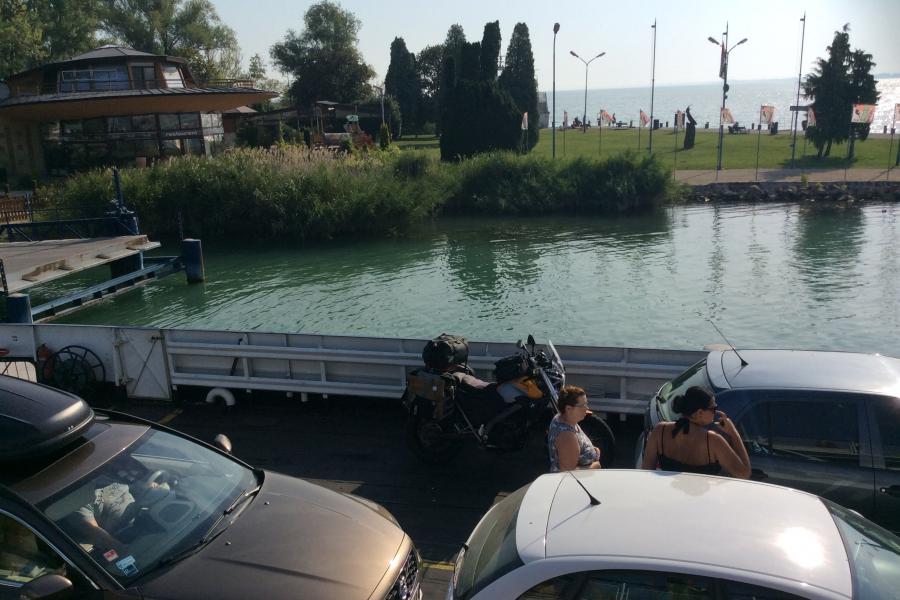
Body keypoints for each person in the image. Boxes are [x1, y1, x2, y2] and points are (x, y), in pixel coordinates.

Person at [641, 386, 751, 478]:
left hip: (670, 499)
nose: (716, 411)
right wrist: (733, 433)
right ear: (699, 413)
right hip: (699, 502)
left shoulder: (660, 430)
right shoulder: (713, 442)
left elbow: (646, 472)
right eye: (713, 408)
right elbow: (744, 473)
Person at [548, 385, 601, 472]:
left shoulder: (566, 418)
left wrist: (593, 451)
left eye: (586, 404)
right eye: (582, 405)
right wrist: (596, 466)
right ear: (568, 409)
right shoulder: (566, 436)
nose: (587, 408)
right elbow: (568, 473)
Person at [0, 515, 66, 584]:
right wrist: (54, 575)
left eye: (26, 532)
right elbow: (20, 578)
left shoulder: (37, 555)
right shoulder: (9, 559)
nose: (20, 539)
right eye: (13, 532)